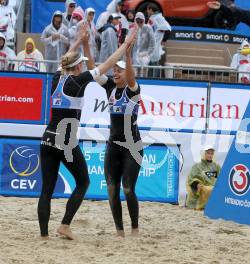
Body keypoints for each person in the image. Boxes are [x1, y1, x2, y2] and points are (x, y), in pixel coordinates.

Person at [37, 23, 138, 240]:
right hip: (65, 142)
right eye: (81, 64)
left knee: (46, 190)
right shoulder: (78, 81)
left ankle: (44, 236)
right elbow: (108, 63)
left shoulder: (57, 78)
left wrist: (79, 41)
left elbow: (64, 58)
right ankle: (64, 225)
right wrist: (126, 44)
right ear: (77, 68)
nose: (83, 67)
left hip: (47, 138)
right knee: (83, 182)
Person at [97, 46, 144, 238]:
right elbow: (95, 69)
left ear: (128, 73)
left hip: (132, 147)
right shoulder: (109, 87)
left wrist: (128, 55)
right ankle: (119, 231)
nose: (115, 72)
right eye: (114, 69)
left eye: (120, 69)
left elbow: (131, 77)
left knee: (127, 188)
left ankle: (134, 228)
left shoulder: (133, 90)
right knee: (111, 189)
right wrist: (85, 44)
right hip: (113, 145)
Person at [186, 146, 221, 210]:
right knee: (208, 190)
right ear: (204, 154)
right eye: (208, 153)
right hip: (201, 187)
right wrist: (197, 185)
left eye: (211, 153)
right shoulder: (197, 165)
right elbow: (191, 178)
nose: (210, 155)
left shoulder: (216, 166)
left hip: (213, 186)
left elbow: (221, 177)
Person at [147, 3, 171, 77]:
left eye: (147, 10)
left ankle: (155, 82)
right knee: (150, 66)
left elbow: (168, 28)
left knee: (154, 65)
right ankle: (150, 81)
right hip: (150, 47)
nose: (147, 12)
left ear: (151, 9)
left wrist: (164, 40)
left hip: (155, 47)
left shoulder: (158, 18)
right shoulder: (153, 18)